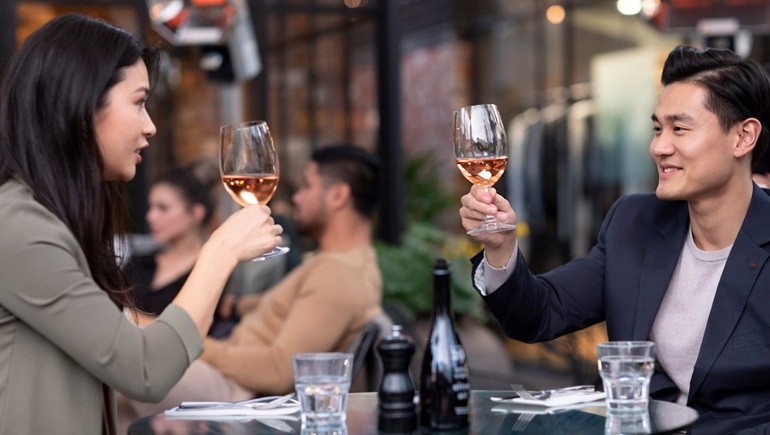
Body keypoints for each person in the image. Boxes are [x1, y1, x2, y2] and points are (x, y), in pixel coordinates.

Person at [459, 45, 770, 435]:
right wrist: (501, 248)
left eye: (680, 128)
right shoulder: (634, 223)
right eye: (657, 128)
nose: (659, 146)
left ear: (743, 137)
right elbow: (539, 314)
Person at [0, 14, 283, 434]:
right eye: (138, 102)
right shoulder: (19, 226)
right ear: (80, 104)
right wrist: (221, 251)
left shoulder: (43, 217)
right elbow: (145, 370)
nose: (150, 126)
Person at [119, 143, 386, 425]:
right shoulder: (349, 265)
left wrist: (187, 341)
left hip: (239, 394)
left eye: (307, 186)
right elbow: (293, 305)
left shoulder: (336, 275)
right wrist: (239, 304)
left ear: (338, 196)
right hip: (230, 381)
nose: (296, 197)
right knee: (118, 376)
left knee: (125, 365)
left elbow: (279, 370)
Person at [124, 163, 231, 333]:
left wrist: (126, 317)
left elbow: (194, 331)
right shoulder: (140, 261)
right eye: (151, 207)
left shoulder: (209, 270)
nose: (150, 216)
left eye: (163, 208)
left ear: (196, 213)